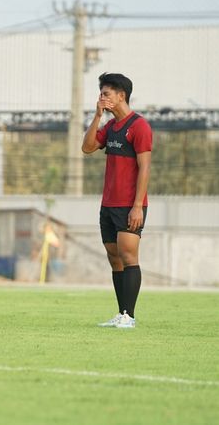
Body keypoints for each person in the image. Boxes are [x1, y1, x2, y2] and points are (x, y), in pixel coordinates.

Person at [82, 72, 152, 329]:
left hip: (129, 204)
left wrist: (137, 206)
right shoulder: (110, 127)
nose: (101, 97)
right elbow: (87, 147)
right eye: (101, 93)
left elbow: (144, 168)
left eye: (106, 93)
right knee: (114, 257)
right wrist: (98, 115)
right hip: (108, 204)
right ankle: (121, 312)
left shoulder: (140, 126)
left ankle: (129, 317)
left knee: (128, 255)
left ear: (121, 96)